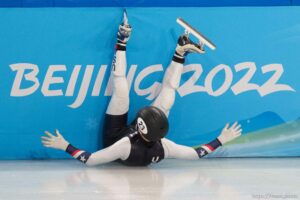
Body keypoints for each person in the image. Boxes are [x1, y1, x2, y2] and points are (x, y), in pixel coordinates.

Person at [41, 13, 242, 166]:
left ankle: (121, 41)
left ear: (140, 126)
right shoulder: (165, 146)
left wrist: (64, 146)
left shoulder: (122, 146)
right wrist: (221, 140)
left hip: (115, 136)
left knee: (122, 94)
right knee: (168, 97)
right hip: (138, 138)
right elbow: (197, 154)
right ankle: (180, 51)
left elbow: (91, 159)